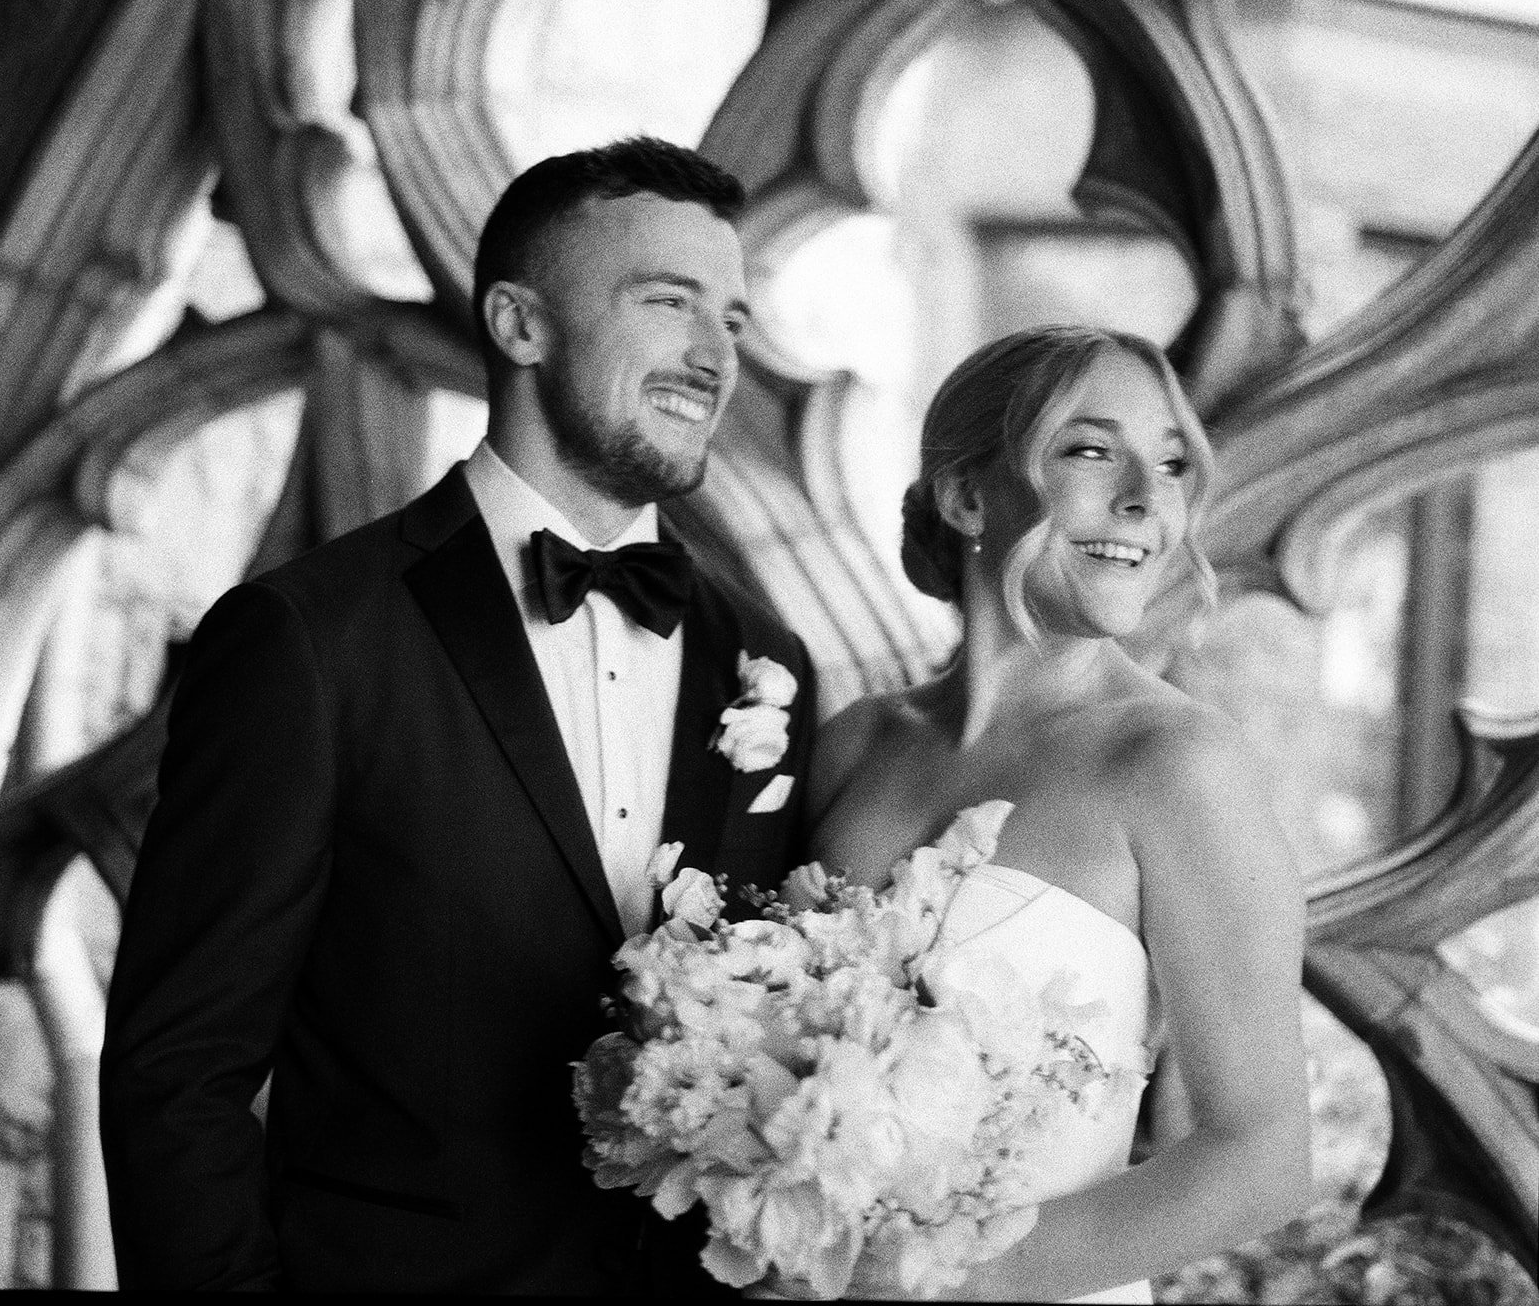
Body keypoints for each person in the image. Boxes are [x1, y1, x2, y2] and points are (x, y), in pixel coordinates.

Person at [99, 137, 818, 1293]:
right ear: (519, 324)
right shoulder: (309, 639)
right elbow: (177, 1072)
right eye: (668, 301)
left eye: (731, 319)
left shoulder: (766, 662)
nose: (714, 355)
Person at [807, 326, 1310, 1303]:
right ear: (966, 495)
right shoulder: (855, 744)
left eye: (1172, 464)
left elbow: (1261, 1159)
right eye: (1090, 450)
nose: (1147, 498)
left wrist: (937, 1281)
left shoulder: (1176, 766)